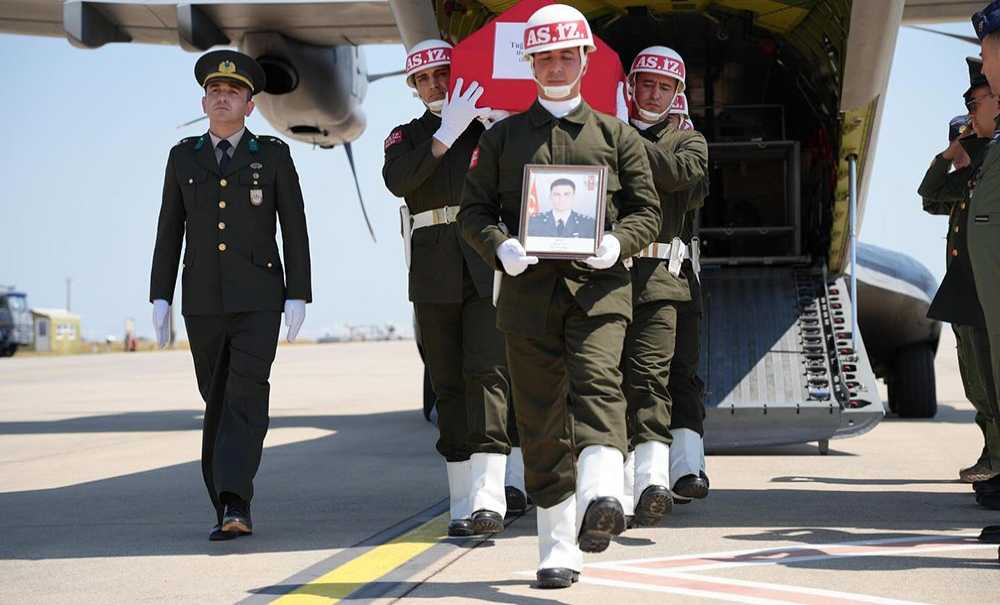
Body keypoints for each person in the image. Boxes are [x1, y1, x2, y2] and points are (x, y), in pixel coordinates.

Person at [460, 4, 661, 589]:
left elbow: (647, 211)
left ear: (584, 61)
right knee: (540, 415)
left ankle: (602, 494)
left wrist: (617, 242)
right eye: (544, 57)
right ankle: (557, 547)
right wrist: (500, 246)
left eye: (565, 56)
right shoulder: (501, 138)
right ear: (529, 63)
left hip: (599, 291)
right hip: (527, 296)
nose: (555, 66)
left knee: (598, 382)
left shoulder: (616, 136)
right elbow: (473, 212)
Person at [149, 50, 311, 541]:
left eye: (233, 92)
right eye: (215, 92)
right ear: (204, 102)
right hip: (202, 300)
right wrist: (160, 295)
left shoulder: (273, 156)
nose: (223, 98)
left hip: (259, 297)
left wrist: (298, 293)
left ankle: (235, 500)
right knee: (216, 399)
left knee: (246, 394)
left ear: (250, 106)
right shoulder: (183, 157)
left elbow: (294, 227)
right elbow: (169, 229)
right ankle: (223, 496)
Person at [383, 39, 520, 537]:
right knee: (447, 382)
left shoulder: (488, 128)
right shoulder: (406, 136)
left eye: (442, 74)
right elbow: (399, 180)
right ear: (414, 87)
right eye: (423, 79)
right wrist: (444, 135)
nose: (434, 85)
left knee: (488, 374)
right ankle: (462, 499)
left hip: (484, 266)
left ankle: (489, 496)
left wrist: (498, 126)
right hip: (433, 272)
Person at [619, 46, 710, 529]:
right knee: (608, 381)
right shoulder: (603, 131)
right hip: (608, 274)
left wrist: (619, 136)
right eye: (646, 83)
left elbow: (679, 176)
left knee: (662, 376)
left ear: (678, 93)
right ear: (630, 85)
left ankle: (665, 474)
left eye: (665, 86)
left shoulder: (688, 141)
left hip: (663, 276)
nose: (654, 94)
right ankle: (617, 484)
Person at [918, 55, 1000, 485]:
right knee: (976, 379)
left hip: (985, 288)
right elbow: (929, 194)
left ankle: (995, 459)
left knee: (989, 378)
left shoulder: (990, 162)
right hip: (967, 288)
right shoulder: (971, 173)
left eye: (976, 103)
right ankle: (992, 454)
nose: (971, 113)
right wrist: (950, 152)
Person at [528, 178, 597, 238]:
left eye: (566, 194)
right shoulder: (534, 222)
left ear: (573, 197)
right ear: (550, 197)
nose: (562, 199)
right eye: (557, 194)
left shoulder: (588, 224)